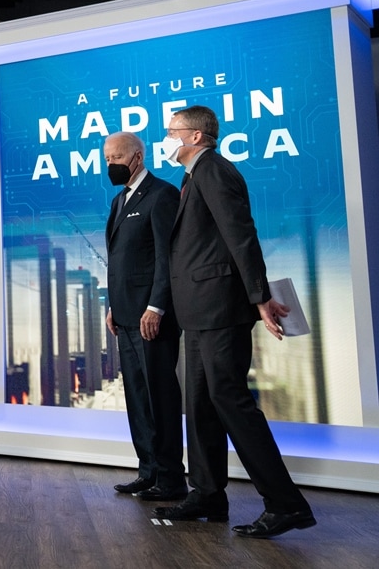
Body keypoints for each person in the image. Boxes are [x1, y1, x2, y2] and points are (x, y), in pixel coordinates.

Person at [154, 105, 316, 539]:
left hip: (220, 309)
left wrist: (259, 296)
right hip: (199, 311)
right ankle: (207, 493)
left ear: (195, 136)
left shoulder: (213, 169)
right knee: (200, 404)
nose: (166, 138)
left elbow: (240, 234)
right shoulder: (192, 176)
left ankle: (286, 505)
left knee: (230, 401)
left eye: (171, 130)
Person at [103, 132, 186, 502]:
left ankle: (171, 479)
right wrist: (113, 306)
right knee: (138, 398)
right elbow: (123, 260)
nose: (111, 165)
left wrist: (156, 306)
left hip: (152, 318)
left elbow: (167, 258)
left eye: (117, 158)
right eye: (107, 159)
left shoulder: (162, 194)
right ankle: (148, 472)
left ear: (137, 157)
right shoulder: (119, 200)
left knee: (160, 398)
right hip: (124, 317)